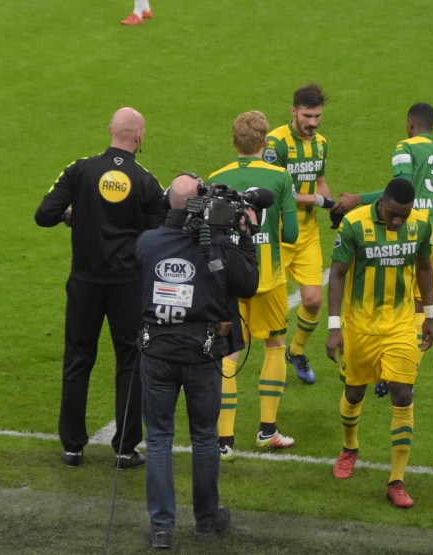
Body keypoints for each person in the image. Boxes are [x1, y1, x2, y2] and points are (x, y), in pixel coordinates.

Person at [35, 107, 165, 469]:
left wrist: (71, 216)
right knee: (130, 362)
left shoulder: (79, 169)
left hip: (84, 282)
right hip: (127, 285)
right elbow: (158, 235)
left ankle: (73, 447)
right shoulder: (146, 180)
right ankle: (125, 449)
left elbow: (44, 215)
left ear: (110, 129)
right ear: (139, 137)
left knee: (78, 359)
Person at [135, 174, 259, 549]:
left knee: (157, 439)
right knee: (205, 437)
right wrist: (245, 236)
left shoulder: (147, 242)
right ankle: (206, 519)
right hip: (202, 354)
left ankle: (161, 527)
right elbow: (249, 284)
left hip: (156, 352)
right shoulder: (217, 247)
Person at [326, 178, 433, 509]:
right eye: (393, 214)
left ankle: (396, 480)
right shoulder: (354, 224)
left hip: (401, 326)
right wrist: (334, 327)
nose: (398, 220)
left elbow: (425, 267)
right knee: (354, 392)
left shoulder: (420, 225)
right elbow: (338, 273)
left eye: (405, 214)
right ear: (382, 202)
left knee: (403, 393)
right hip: (361, 327)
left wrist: (428, 314)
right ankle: (350, 447)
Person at [334, 102, 433, 397]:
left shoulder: (406, 146)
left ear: (409, 124)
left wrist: (358, 199)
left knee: (393, 296)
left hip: (415, 232)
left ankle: (399, 371)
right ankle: (401, 371)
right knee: (420, 307)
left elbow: (398, 187)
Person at [209, 111, 299, 460]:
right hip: (267, 277)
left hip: (227, 278)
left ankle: (224, 441)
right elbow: (290, 234)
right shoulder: (280, 176)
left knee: (227, 350)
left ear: (235, 143)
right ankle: (267, 430)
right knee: (275, 346)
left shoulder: (217, 178)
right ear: (265, 143)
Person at [264, 84, 336, 385]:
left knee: (313, 300)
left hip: (307, 234)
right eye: (307, 115)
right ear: (293, 111)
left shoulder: (320, 143)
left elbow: (319, 181)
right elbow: (277, 193)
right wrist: (321, 201)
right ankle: (273, 363)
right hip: (278, 236)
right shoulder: (275, 144)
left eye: (317, 116)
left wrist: (334, 208)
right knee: (276, 313)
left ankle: (296, 352)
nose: (313, 122)